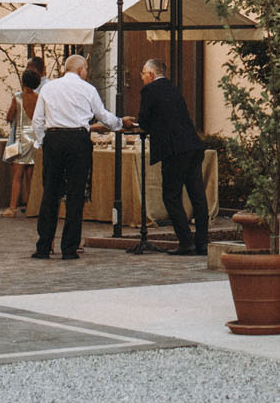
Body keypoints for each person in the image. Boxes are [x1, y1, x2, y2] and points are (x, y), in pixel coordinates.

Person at [29, 53, 123, 259]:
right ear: (81, 70)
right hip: (77, 140)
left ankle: (43, 246)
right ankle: (69, 248)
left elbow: (37, 119)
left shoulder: (48, 88)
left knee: (50, 193)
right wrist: (120, 123)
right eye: (86, 69)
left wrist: (44, 141)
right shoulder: (87, 89)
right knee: (75, 194)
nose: (87, 73)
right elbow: (103, 115)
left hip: (54, 139)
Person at [127, 57, 209, 255]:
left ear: (151, 75)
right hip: (192, 145)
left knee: (171, 195)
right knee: (197, 194)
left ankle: (185, 241)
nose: (141, 78)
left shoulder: (149, 90)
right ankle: (202, 242)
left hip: (174, 149)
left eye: (143, 74)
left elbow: (145, 119)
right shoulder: (173, 88)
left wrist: (135, 124)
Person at [0, 56, 45, 218]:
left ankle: (12, 208)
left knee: (17, 176)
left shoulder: (18, 97)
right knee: (30, 175)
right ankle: (31, 206)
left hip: (19, 139)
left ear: (23, 82)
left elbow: (10, 117)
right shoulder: (39, 98)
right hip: (34, 139)